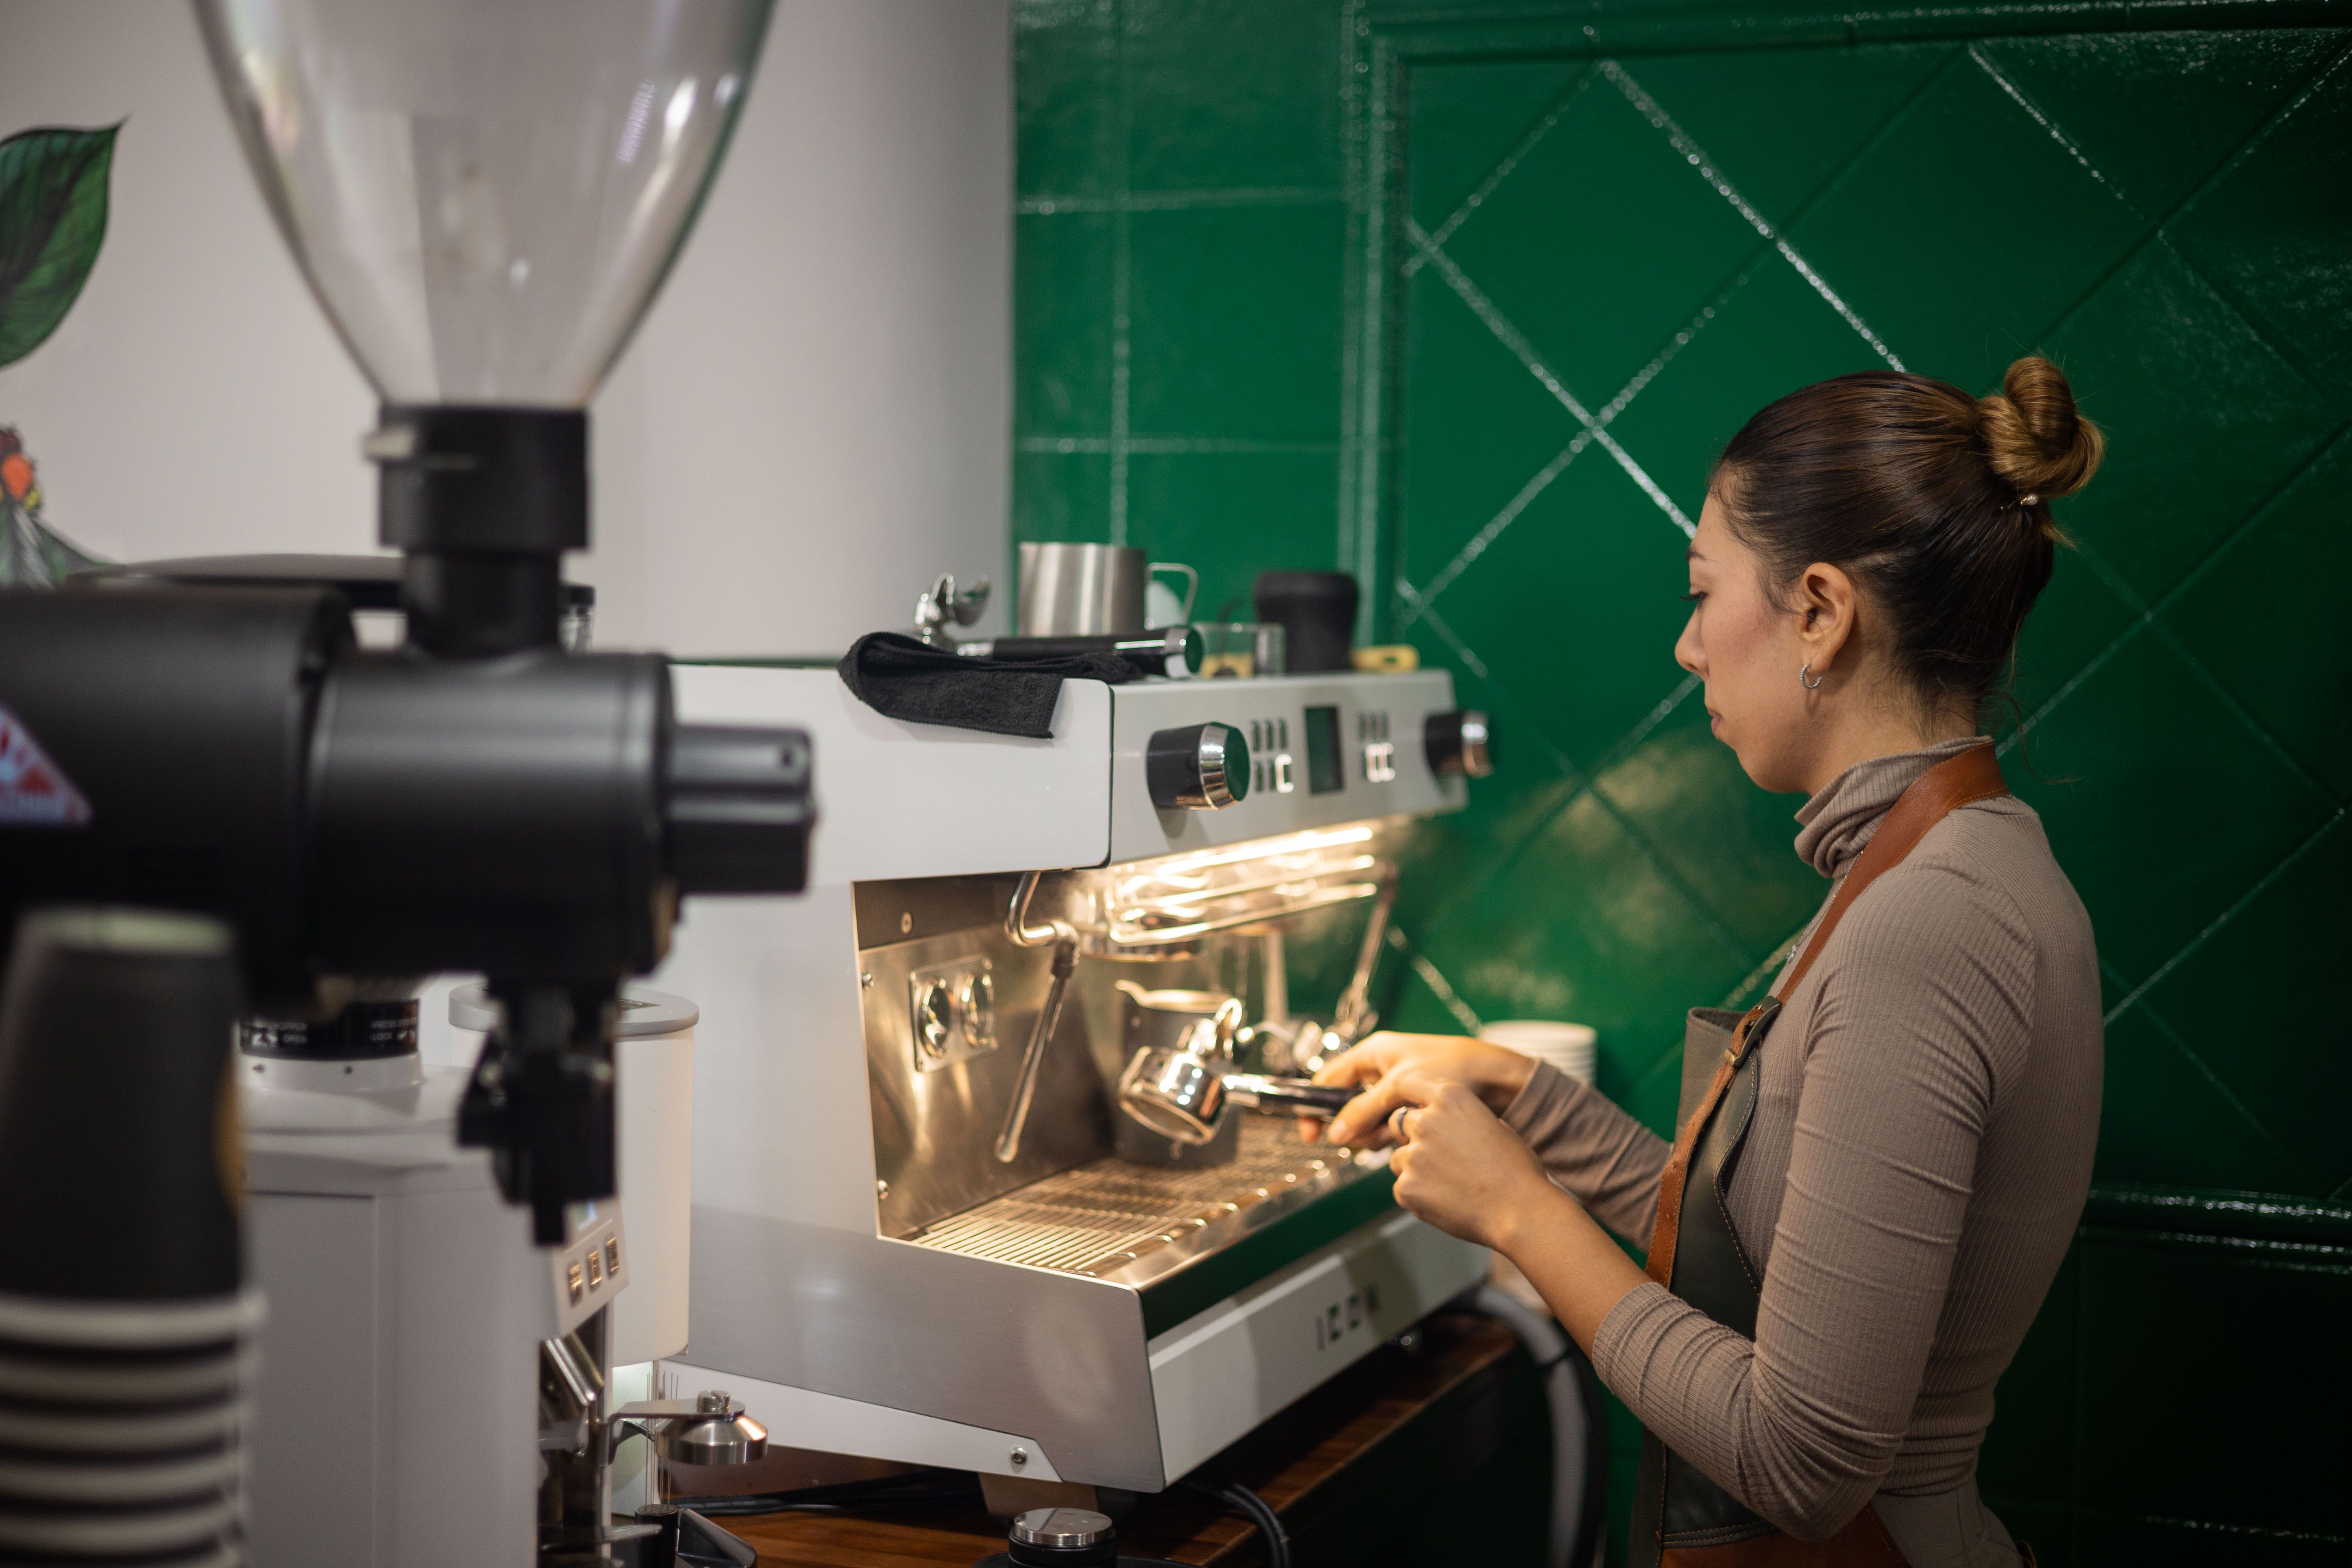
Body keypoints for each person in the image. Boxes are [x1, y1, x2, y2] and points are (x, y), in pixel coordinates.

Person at [1315, 357, 2106, 1568]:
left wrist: (1517, 1211)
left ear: (1822, 613)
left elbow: (1804, 1459)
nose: (1688, 648)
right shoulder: (1951, 864)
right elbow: (1769, 1246)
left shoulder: (1926, 926)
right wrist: (1521, 1099)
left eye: (1701, 594)